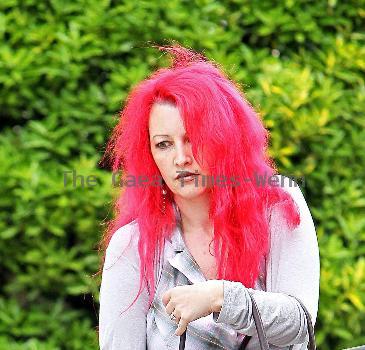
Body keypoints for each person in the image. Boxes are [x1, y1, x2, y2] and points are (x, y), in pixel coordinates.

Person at [98, 44, 320, 350]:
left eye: (192, 139)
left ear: (224, 137)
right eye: (164, 144)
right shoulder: (132, 246)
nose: (180, 158)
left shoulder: (278, 205)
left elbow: (299, 325)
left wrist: (219, 298)